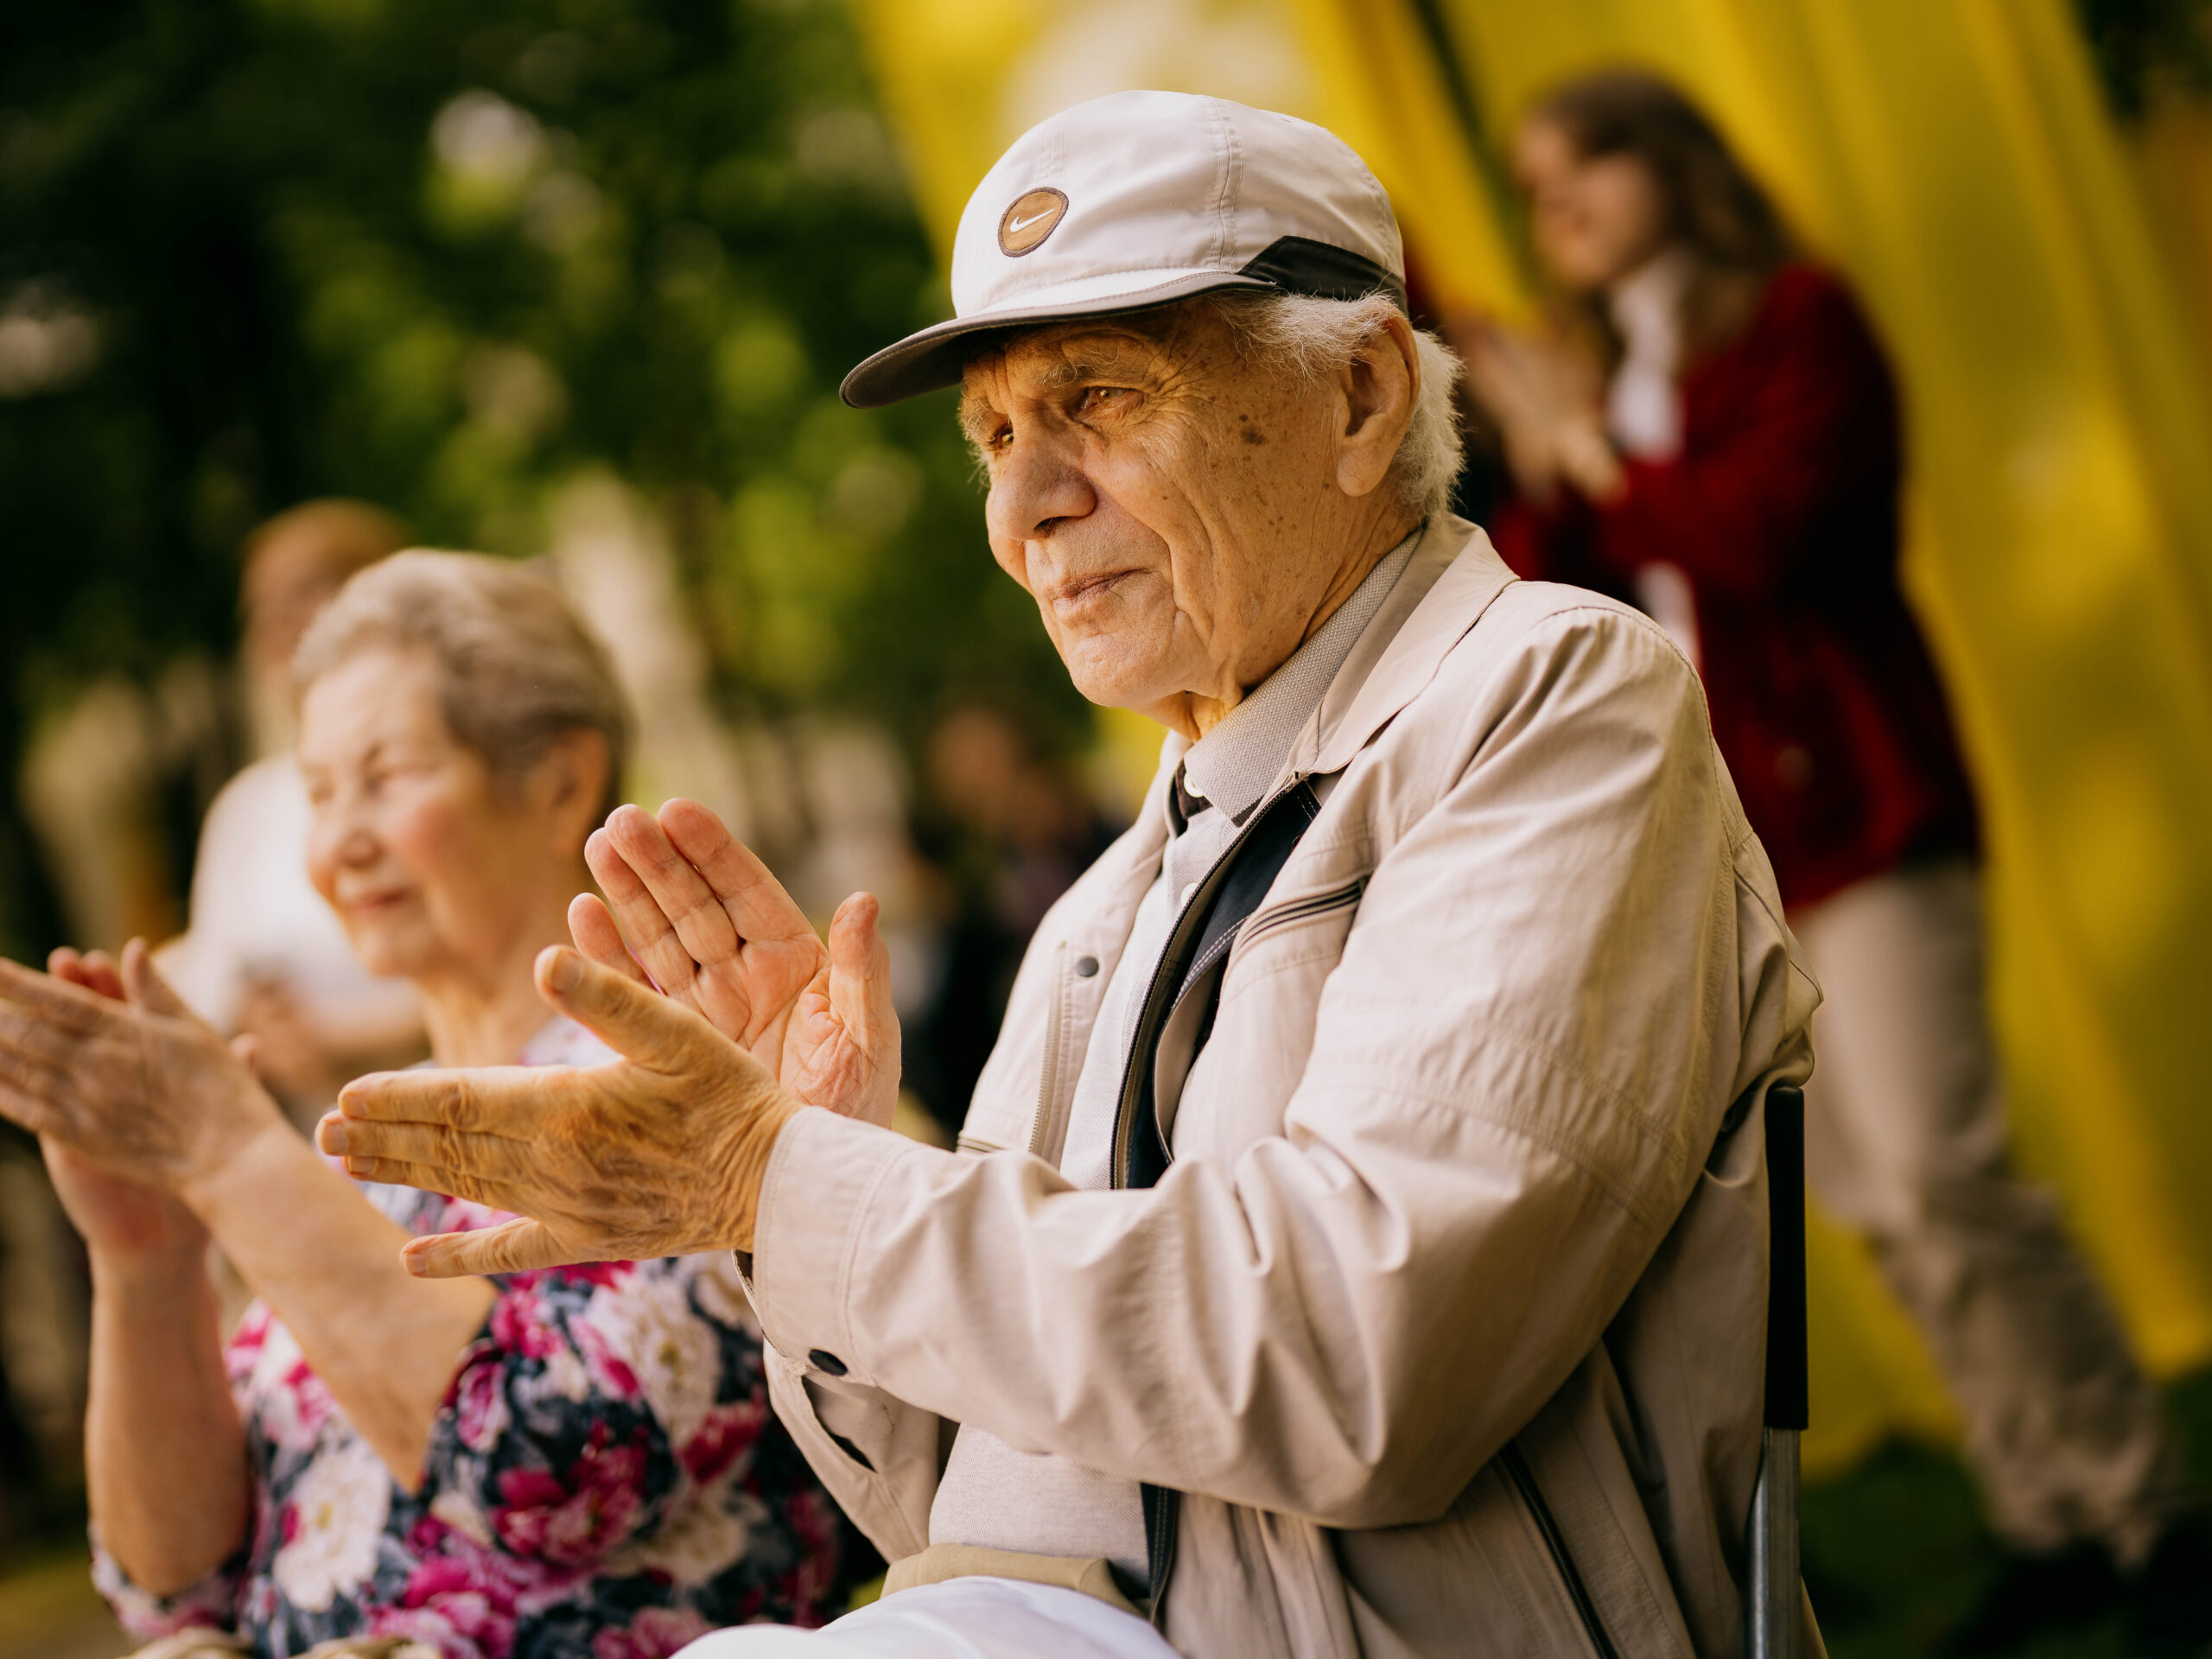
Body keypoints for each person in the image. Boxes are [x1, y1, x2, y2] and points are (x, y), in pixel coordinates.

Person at [315, 92, 1817, 1657]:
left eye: (1097, 399)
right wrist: (795, 1193)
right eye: (993, 437)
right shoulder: (1110, 901)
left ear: (1362, 397)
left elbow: (1362, 1365)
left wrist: (790, 1184)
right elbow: (942, 1500)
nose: (1023, 507)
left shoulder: (1555, 697)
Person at [1459, 67, 2209, 1656]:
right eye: (1534, 181)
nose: (1559, 202)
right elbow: (1563, 586)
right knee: (1874, 1200)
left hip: (1865, 811)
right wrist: (1538, 467)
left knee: (1951, 1172)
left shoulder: (1796, 319)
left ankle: (2146, 1507)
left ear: (1672, 160)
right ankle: (2048, 1509)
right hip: (1735, 844)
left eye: (1586, 159)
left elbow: (1762, 532)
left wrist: (1585, 446)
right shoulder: (1617, 367)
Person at [0, 553, 856, 1658]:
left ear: (557, 782)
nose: (340, 841)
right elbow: (172, 1586)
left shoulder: (703, 1085)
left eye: (387, 776)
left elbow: (553, 1472)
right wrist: (146, 1258)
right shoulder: (369, 1154)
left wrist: (223, 1150)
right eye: (317, 792)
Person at [158, 500, 425, 1128]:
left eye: (310, 586)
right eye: (259, 606)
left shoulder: (454, 765)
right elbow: (215, 971)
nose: (281, 618)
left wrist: (345, 1040)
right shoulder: (246, 809)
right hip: (322, 1141)